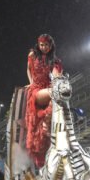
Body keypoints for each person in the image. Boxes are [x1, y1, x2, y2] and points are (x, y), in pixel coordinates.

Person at [25, 34, 63, 168]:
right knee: (56, 92)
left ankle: (48, 126)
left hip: (48, 89)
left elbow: (57, 76)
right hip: (37, 91)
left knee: (57, 92)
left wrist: (57, 80)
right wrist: (31, 83)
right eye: (41, 45)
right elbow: (29, 70)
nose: (44, 47)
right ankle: (47, 123)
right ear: (38, 44)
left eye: (46, 45)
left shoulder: (55, 61)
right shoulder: (32, 55)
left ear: (51, 46)